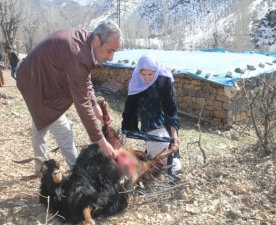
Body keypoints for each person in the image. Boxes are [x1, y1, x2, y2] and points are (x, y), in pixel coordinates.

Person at [16, 20, 122, 174]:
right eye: (109, 50)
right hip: (35, 82)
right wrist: (101, 141)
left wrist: (94, 104)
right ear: (97, 40)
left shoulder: (86, 41)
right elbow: (81, 102)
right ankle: (77, 171)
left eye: (114, 52)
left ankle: (40, 167)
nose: (111, 57)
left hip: (39, 78)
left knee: (41, 120)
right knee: (63, 129)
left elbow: (85, 78)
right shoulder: (77, 54)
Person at [121, 54, 182, 181]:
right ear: (139, 72)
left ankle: (169, 176)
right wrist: (126, 129)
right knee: (158, 156)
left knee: (170, 157)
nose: (147, 78)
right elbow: (130, 109)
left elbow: (171, 107)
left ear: (156, 71)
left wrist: (174, 133)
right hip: (150, 122)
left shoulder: (163, 79)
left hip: (166, 121)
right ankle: (159, 175)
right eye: (144, 74)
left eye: (150, 74)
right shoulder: (136, 82)